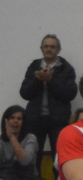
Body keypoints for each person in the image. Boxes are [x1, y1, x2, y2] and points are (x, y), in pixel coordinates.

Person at [20, 34, 77, 163]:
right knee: (34, 157)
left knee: (59, 157)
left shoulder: (66, 68)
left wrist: (51, 81)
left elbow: (70, 94)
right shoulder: (34, 67)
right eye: (46, 47)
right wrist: (37, 80)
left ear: (58, 50)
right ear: (41, 49)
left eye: (52, 47)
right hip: (35, 119)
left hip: (58, 120)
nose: (49, 49)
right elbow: (24, 93)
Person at [0, 106, 43, 180]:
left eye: (19, 119)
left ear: (24, 123)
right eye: (12, 118)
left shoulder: (30, 138)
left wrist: (12, 138)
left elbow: (25, 161)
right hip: (6, 177)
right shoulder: (1, 140)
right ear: (6, 121)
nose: (15, 121)